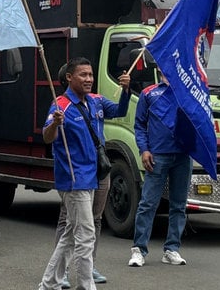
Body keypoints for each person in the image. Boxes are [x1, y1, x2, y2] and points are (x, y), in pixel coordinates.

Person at [38, 58, 130, 290]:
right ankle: (86, 286)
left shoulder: (96, 101)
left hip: (96, 174)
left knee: (71, 234)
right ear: (69, 78)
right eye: (83, 75)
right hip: (74, 177)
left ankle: (49, 284)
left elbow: (119, 110)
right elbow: (48, 138)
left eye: (90, 74)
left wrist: (126, 90)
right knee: (86, 235)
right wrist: (54, 125)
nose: (89, 79)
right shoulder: (60, 106)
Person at [128, 79, 191, 267]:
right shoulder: (148, 93)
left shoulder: (188, 91)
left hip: (183, 156)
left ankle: (172, 249)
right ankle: (139, 250)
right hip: (157, 156)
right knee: (148, 203)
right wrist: (144, 150)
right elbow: (139, 125)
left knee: (179, 205)